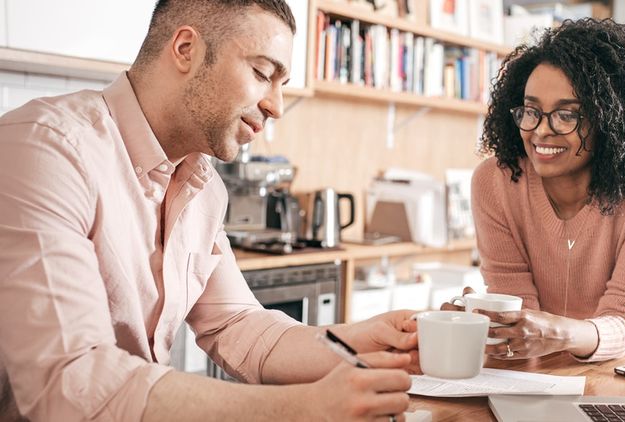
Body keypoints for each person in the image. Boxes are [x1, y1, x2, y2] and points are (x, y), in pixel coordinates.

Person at [0, 1, 418, 421]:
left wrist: (370, 340)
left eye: (282, 83)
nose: (276, 106)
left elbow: (239, 327)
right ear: (185, 48)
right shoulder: (46, 148)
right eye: (261, 74)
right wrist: (302, 408)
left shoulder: (204, 187)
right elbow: (69, 382)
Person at [443, 18, 625, 362]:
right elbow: (518, 310)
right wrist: (492, 322)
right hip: (546, 357)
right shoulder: (494, 182)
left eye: (566, 115)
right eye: (531, 111)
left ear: (612, 120)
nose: (540, 132)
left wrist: (557, 334)